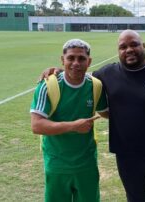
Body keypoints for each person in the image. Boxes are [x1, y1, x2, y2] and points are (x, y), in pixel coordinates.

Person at [41, 29, 145, 202]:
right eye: (123, 47)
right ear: (118, 51)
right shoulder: (107, 74)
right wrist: (59, 70)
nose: (128, 49)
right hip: (127, 158)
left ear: (143, 46)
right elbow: (80, 76)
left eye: (134, 44)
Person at [30, 39, 108, 202]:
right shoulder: (48, 86)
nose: (76, 63)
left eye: (81, 59)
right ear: (62, 60)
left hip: (87, 163)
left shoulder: (95, 86)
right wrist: (74, 126)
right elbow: (36, 125)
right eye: (70, 58)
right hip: (57, 163)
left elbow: (106, 112)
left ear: (89, 61)